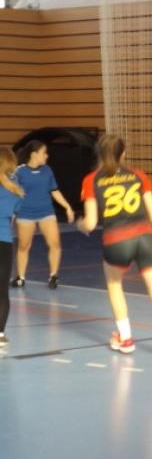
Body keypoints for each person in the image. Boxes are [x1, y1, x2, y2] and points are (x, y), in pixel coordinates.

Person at [77, 134, 152, 368]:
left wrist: (80, 224)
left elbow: (91, 223)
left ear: (99, 154)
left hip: (117, 240)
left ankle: (125, 339)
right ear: (123, 153)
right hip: (145, 239)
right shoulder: (138, 175)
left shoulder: (91, 180)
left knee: (115, 285)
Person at [11, 140, 74, 289]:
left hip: (46, 212)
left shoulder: (47, 170)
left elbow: (54, 190)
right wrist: (12, 213)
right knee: (24, 246)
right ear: (34, 154)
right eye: (44, 153)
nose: (47, 155)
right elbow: (13, 193)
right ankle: (20, 277)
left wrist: (67, 207)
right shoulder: (19, 171)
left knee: (55, 244)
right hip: (26, 213)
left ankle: (53, 276)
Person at [0, 148, 24, 347]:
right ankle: (0, 334)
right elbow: (14, 216)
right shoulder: (15, 190)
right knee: (2, 291)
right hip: (4, 242)